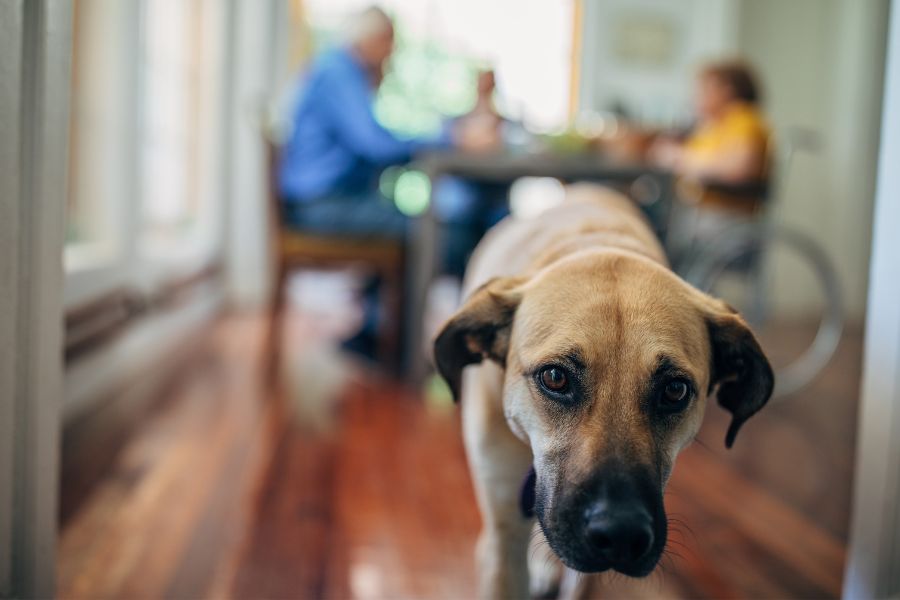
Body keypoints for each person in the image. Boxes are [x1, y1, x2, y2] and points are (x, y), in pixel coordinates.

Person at [279, 6, 494, 361]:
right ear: (372, 40)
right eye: (389, 47)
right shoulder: (338, 71)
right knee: (432, 229)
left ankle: (379, 331)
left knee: (417, 220)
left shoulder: (341, 70)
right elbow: (375, 143)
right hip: (322, 205)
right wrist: (448, 137)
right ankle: (395, 346)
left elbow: (374, 143)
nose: (390, 58)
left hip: (330, 200)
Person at [650, 60, 771, 254]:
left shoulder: (744, 119)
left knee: (652, 227)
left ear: (727, 90)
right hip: (701, 217)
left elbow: (739, 167)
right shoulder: (713, 126)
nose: (695, 97)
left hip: (725, 222)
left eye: (704, 89)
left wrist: (681, 158)